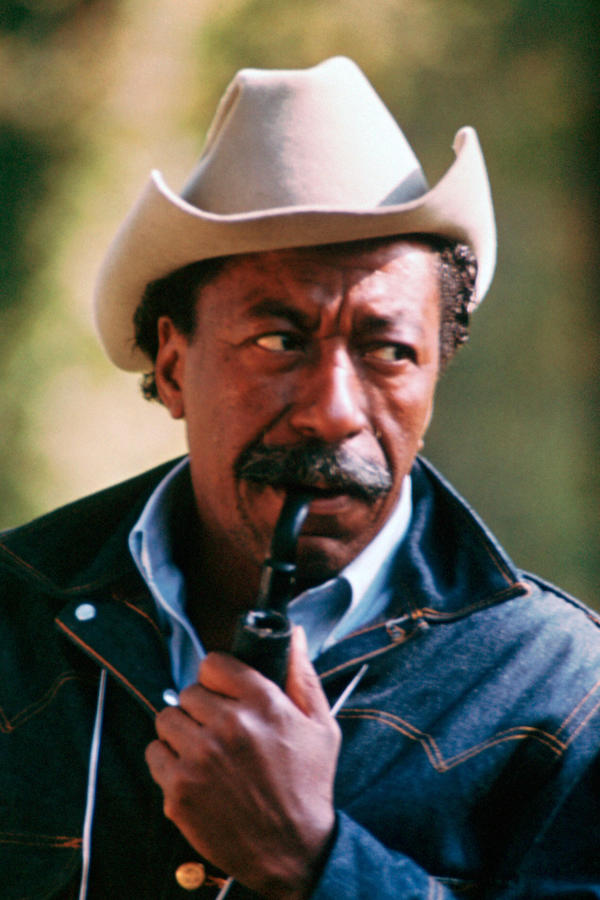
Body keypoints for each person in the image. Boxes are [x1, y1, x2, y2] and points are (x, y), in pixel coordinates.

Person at [1, 56, 598, 900]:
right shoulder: (12, 618)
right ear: (173, 367)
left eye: (389, 352)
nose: (333, 412)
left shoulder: (562, 691)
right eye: (279, 341)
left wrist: (312, 860)